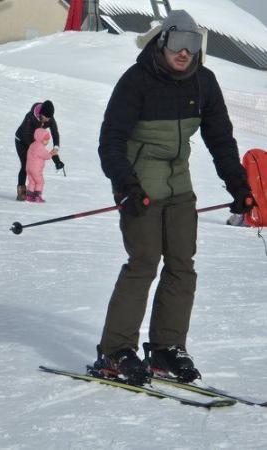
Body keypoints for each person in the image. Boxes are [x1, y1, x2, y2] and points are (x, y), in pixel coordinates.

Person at [93, 10, 254, 385]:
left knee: (183, 262)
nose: (185, 53)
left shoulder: (204, 82)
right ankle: (115, 350)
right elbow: (110, 140)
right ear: (163, 41)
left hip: (179, 185)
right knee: (144, 261)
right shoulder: (136, 81)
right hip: (140, 185)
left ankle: (166, 348)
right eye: (178, 43)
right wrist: (125, 184)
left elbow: (221, 141)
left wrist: (239, 187)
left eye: (193, 45)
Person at [14, 100, 64, 201]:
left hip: (35, 142)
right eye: (46, 117)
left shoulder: (49, 117)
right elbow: (33, 144)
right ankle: (21, 191)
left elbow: (54, 132)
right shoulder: (30, 118)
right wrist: (44, 152)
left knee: (35, 166)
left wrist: (56, 147)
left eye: (50, 118)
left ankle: (31, 192)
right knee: (26, 165)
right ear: (41, 113)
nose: (48, 120)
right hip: (22, 141)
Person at [25, 128, 58, 203]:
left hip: (29, 168)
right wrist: (52, 153)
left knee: (32, 182)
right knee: (40, 182)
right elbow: (47, 156)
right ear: (40, 138)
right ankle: (37, 196)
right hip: (36, 169)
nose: (47, 142)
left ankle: (29, 196)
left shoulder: (32, 145)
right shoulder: (40, 147)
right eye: (46, 140)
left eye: (48, 140)